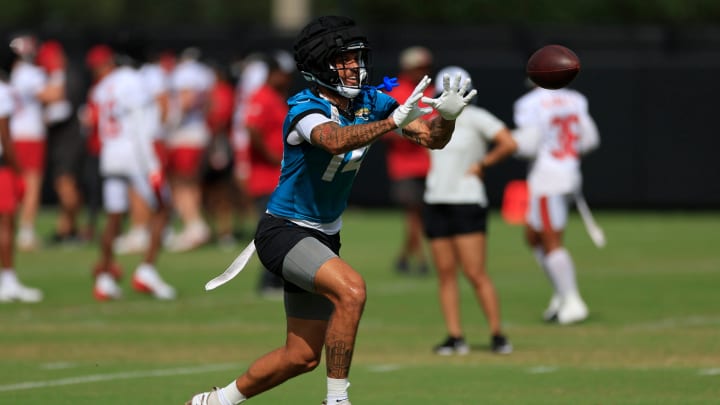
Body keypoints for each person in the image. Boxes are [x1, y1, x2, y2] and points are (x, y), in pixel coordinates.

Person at [186, 15, 475, 405]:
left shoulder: (371, 101)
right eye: (346, 60)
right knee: (352, 291)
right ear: (322, 64)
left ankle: (215, 402)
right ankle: (336, 400)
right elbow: (333, 140)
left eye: (358, 58)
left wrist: (448, 118)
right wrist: (390, 121)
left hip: (323, 234)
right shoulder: (304, 107)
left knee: (300, 357)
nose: (357, 67)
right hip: (284, 230)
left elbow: (429, 138)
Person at [422, 66, 516, 355]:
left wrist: (483, 165)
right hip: (436, 199)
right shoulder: (431, 118)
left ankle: (497, 334)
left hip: (466, 200)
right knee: (446, 274)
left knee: (475, 273)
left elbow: (508, 143)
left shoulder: (477, 117)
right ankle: (455, 336)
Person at [85, 44, 176, 301]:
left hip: (110, 153)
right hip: (135, 154)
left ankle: (104, 277)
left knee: (114, 216)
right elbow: (140, 126)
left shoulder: (103, 85)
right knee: (163, 208)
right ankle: (147, 270)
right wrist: (153, 164)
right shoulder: (136, 81)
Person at [512, 79, 600, 325]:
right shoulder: (576, 98)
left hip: (548, 179)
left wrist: (511, 142)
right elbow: (591, 139)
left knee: (550, 240)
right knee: (533, 236)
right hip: (569, 174)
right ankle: (562, 294)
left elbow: (528, 147)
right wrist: (567, 155)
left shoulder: (529, 103)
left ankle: (572, 301)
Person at [243, 52, 294, 296]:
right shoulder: (261, 96)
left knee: (285, 227)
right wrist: (272, 156)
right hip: (265, 176)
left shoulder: (276, 97)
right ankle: (268, 282)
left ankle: (276, 280)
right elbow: (252, 129)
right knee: (273, 229)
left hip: (279, 175)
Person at [8, 34, 64, 251]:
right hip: (29, 134)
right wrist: (57, 70)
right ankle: (26, 231)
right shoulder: (28, 73)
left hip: (11, 134)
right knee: (31, 185)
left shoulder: (12, 74)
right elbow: (54, 95)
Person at [383, 45, 435, 275]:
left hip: (431, 164)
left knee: (419, 214)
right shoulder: (396, 91)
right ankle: (421, 258)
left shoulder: (431, 91)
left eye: (425, 67)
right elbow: (385, 130)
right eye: (418, 67)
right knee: (414, 212)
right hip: (405, 164)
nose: (422, 71)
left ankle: (405, 257)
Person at [36, 39, 87, 246]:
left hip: (69, 139)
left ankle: (74, 229)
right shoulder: (64, 75)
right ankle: (66, 228)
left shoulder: (68, 76)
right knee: (65, 184)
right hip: (65, 140)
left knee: (65, 184)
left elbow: (63, 109)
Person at [164, 47, 214, 252]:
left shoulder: (185, 73)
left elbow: (187, 99)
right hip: (198, 132)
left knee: (180, 183)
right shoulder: (206, 73)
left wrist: (170, 122)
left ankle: (194, 225)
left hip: (184, 135)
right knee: (191, 183)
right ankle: (194, 225)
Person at [0, 65, 43, 302]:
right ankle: (7, 280)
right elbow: (4, 136)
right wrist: (18, 171)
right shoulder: (3, 91)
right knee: (6, 223)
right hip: (1, 165)